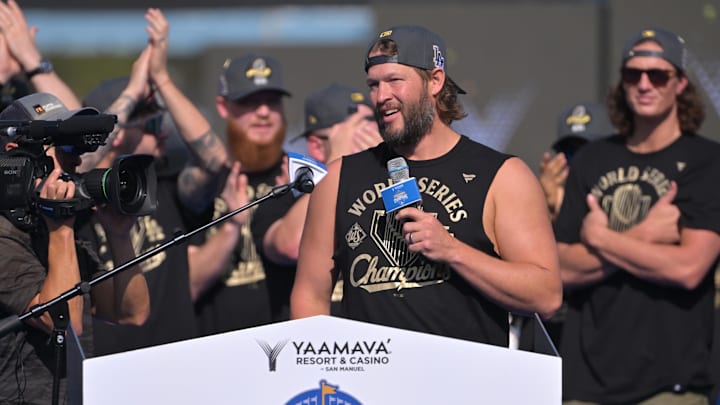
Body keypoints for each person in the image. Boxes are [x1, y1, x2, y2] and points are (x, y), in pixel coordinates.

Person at [290, 25, 562, 346]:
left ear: (435, 81)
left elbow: (546, 296)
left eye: (394, 81)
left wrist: (453, 251)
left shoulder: (502, 175)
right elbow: (310, 295)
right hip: (370, 387)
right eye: (373, 85)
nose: (381, 97)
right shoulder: (339, 178)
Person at [554, 28, 720, 404]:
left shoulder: (707, 162)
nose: (644, 84)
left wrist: (602, 239)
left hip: (670, 382)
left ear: (679, 83)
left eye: (657, 75)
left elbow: (688, 268)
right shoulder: (593, 160)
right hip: (586, 382)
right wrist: (645, 234)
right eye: (633, 74)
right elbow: (561, 269)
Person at [78, 8, 229, 354]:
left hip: (174, 363)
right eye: (152, 124)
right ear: (116, 133)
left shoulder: (167, 186)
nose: (164, 132)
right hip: (107, 368)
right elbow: (77, 163)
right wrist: (132, 91)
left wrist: (161, 79)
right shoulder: (78, 193)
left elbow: (214, 160)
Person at [0, 93, 150, 404]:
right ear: (15, 156)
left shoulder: (54, 229)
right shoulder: (9, 236)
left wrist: (119, 236)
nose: (78, 159)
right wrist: (61, 225)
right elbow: (63, 322)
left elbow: (131, 312)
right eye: (64, 146)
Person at [191, 53, 293, 333]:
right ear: (223, 107)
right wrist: (232, 226)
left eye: (272, 101)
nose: (263, 112)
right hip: (218, 355)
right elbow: (188, 286)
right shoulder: (202, 185)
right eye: (249, 102)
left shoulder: (303, 177)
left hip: (291, 351)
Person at [274, 83, 382, 316]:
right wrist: (342, 163)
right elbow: (290, 244)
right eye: (362, 130)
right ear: (316, 146)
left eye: (376, 124)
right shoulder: (290, 195)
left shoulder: (395, 176)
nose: (373, 136)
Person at [540, 101, 613, 220]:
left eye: (588, 151)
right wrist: (552, 210)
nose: (579, 162)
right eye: (571, 152)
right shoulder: (561, 198)